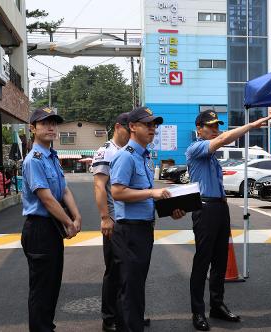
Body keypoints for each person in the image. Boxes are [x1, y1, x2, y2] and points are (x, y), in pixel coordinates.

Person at [186, 110, 271, 331]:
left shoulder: (212, 156)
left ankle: (217, 305)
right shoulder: (196, 149)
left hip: (219, 208)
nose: (215, 129)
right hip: (204, 208)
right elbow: (223, 139)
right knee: (202, 261)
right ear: (199, 128)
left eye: (217, 125)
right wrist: (251, 126)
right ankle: (198, 311)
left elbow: (222, 139)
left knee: (220, 260)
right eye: (210, 126)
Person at [110, 106, 185, 332]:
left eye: (154, 125)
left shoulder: (144, 157)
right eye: (147, 124)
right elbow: (117, 192)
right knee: (130, 289)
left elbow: (144, 195)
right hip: (129, 232)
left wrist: (170, 208)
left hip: (142, 230)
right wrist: (152, 193)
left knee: (136, 286)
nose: (153, 129)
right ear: (132, 127)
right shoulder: (126, 156)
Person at [21, 107, 81, 331]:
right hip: (39, 229)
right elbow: (46, 199)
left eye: (54, 123)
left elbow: (63, 190)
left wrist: (77, 215)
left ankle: (46, 326)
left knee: (52, 284)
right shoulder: (34, 159)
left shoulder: (52, 157)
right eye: (44, 122)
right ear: (33, 127)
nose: (50, 127)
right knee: (41, 288)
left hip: (52, 228)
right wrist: (68, 221)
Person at [92, 112, 131, 332]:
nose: (131, 133)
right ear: (118, 127)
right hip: (114, 221)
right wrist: (105, 217)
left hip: (129, 221)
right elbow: (99, 186)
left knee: (129, 270)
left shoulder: (129, 151)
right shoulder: (105, 151)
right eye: (128, 129)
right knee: (114, 269)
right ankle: (109, 317)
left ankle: (126, 312)